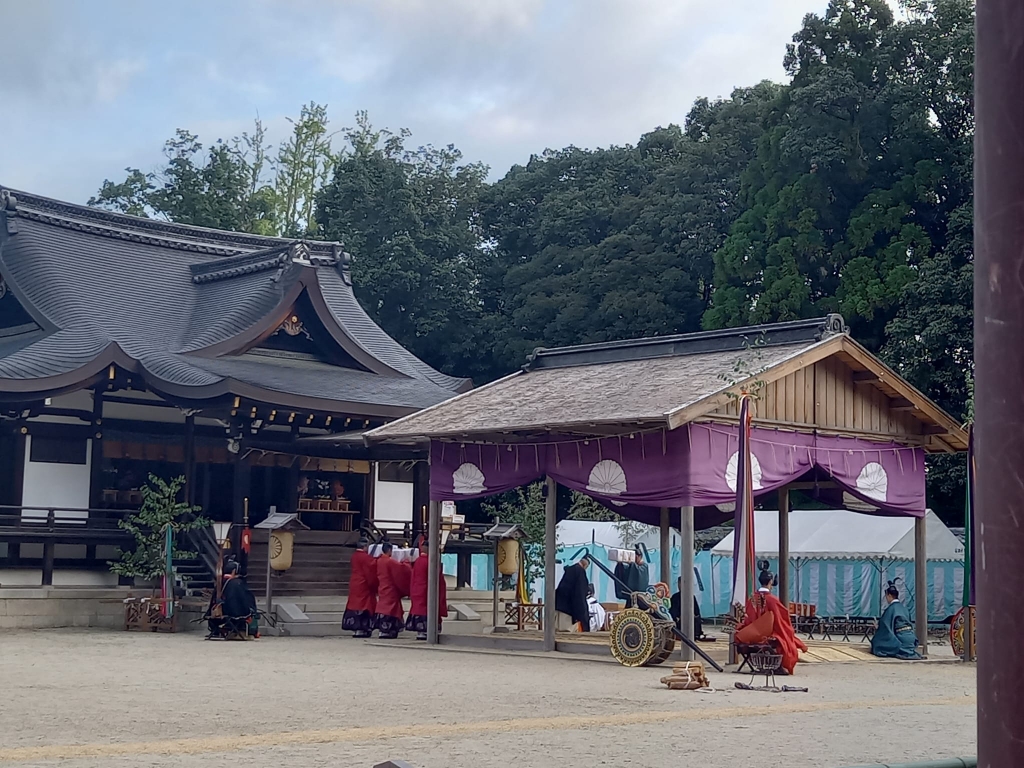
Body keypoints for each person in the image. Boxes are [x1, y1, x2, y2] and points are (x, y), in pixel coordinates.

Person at [736, 562, 806, 675]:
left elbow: (748, 620)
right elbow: (782, 621)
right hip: (766, 637)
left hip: (749, 636)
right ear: (770, 582)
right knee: (785, 638)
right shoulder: (773, 600)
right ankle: (779, 665)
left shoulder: (751, 599)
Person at [406, 538, 448, 641]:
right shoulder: (431, 562)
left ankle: (420, 631)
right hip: (427, 590)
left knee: (419, 608)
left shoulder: (417, 561)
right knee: (428, 608)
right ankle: (428, 630)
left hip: (417, 589)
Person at [206, 560, 259, 640]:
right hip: (233, 614)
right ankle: (241, 630)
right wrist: (252, 609)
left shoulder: (220, 583)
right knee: (247, 609)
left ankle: (226, 630)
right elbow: (246, 600)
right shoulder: (237, 583)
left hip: (217, 614)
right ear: (234, 571)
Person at [871, 581, 923, 659]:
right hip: (911, 638)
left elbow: (885, 627)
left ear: (889, 595)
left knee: (876, 643)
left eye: (886, 596)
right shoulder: (904, 608)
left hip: (900, 639)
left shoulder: (890, 609)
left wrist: (878, 627)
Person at [374, 542, 411, 638]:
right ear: (390, 550)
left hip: (382, 586)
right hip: (390, 588)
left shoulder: (379, 560)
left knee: (383, 607)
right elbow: (401, 569)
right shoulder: (389, 561)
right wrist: (406, 562)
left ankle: (382, 630)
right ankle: (389, 630)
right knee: (391, 609)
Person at [342, 538, 378, 638]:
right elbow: (370, 572)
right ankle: (362, 628)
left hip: (355, 581)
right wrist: (374, 584)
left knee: (354, 604)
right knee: (364, 605)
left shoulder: (354, 556)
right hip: (364, 583)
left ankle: (355, 628)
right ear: (365, 546)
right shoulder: (366, 558)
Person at [555, 556, 591, 631]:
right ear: (585, 566)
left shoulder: (569, 570)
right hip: (569, 610)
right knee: (567, 631)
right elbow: (579, 593)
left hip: (559, 605)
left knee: (558, 630)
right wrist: (582, 614)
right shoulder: (580, 572)